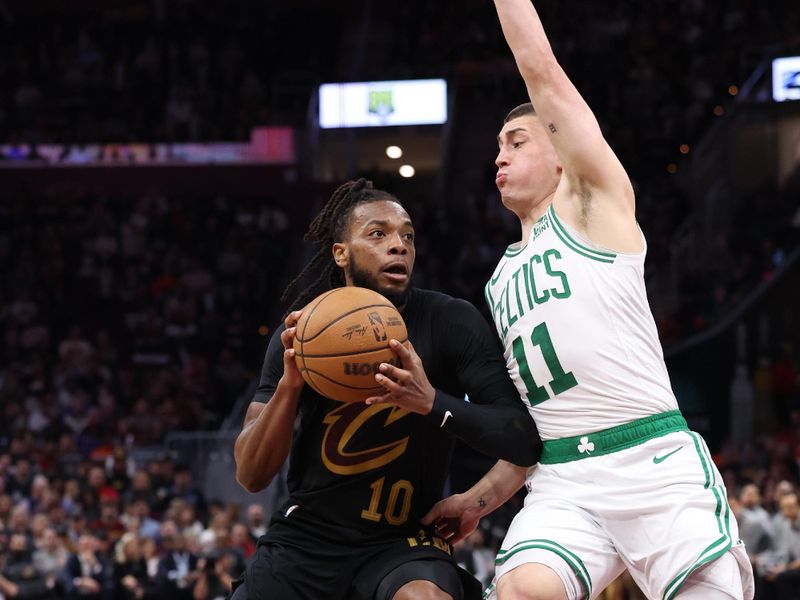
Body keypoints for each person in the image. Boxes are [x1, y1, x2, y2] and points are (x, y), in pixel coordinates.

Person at [421, 1, 756, 599]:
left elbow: (540, 70)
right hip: (565, 478)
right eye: (496, 146)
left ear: (558, 151)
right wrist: (477, 501)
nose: (498, 156)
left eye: (516, 141)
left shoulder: (593, 209)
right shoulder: (499, 282)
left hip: (649, 456)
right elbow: (532, 425)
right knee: (525, 590)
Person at [232, 178, 542, 600]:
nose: (399, 245)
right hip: (309, 536)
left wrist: (431, 403)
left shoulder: (450, 320)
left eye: (407, 236)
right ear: (341, 253)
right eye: (378, 234)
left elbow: (521, 437)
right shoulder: (303, 333)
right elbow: (251, 475)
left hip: (402, 541)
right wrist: (291, 385)